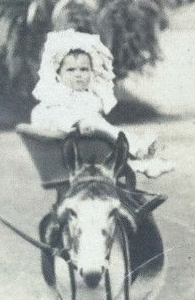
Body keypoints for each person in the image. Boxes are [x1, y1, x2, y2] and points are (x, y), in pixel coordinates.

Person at [27, 29, 171, 210]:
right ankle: (137, 150)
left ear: (92, 72)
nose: (78, 74)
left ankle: (136, 152)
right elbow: (57, 118)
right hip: (74, 148)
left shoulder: (85, 98)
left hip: (88, 144)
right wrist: (79, 123)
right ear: (58, 74)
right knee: (99, 127)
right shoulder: (57, 98)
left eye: (84, 69)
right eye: (70, 70)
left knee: (106, 128)